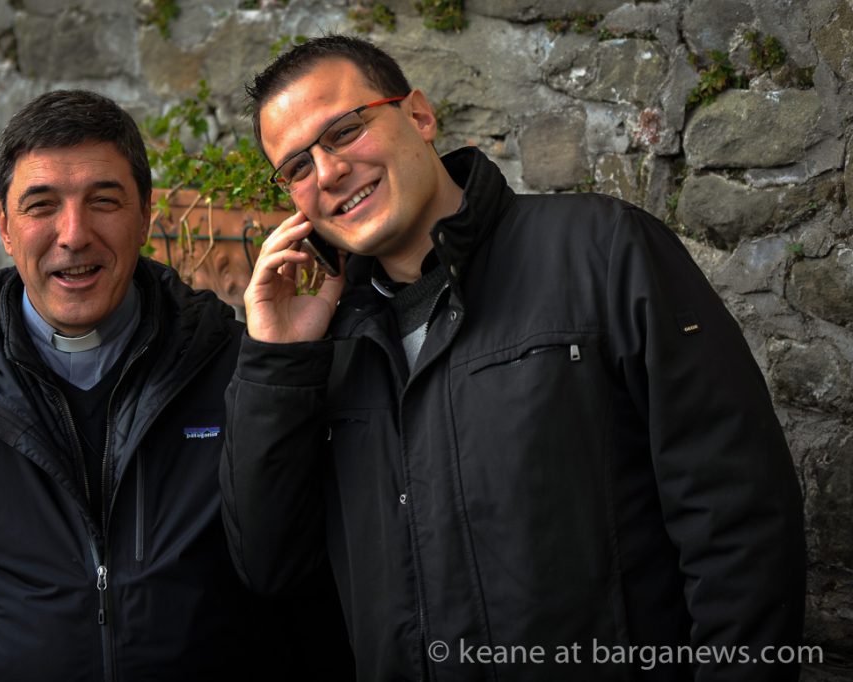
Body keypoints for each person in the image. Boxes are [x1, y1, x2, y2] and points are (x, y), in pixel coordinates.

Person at [220, 35, 806, 681]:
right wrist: (276, 363)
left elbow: (738, 526)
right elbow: (271, 569)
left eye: (344, 131)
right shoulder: (320, 351)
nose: (327, 172)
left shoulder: (602, 251)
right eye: (297, 167)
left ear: (418, 115)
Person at [0, 89, 351, 681]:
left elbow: (311, 601)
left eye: (103, 201)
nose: (74, 234)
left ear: (145, 215)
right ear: (4, 226)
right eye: (41, 206)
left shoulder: (239, 374)